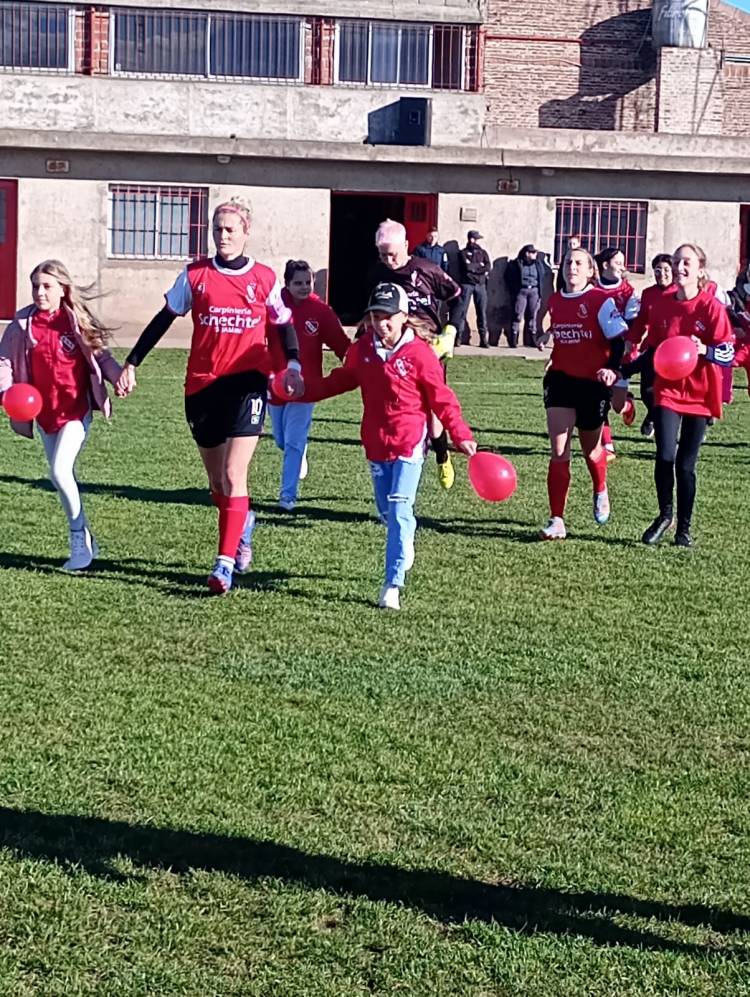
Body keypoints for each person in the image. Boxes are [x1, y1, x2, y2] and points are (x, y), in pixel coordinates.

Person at [116, 197, 304, 594]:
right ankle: (243, 523)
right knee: (218, 482)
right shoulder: (195, 276)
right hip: (202, 386)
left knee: (235, 474)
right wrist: (132, 362)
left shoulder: (264, 278)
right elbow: (164, 319)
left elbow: (284, 322)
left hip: (248, 384)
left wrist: (292, 364)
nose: (223, 236)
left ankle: (224, 564)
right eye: (217, 229)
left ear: (246, 232)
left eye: (230, 229)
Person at [300, 282, 476, 610]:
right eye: (376, 316)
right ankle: (405, 533)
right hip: (376, 442)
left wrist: (460, 433)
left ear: (403, 316)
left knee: (397, 508)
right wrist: (305, 391)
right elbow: (342, 379)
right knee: (387, 512)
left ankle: (392, 584)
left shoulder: (420, 354)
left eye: (388, 317)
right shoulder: (363, 349)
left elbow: (442, 397)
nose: (381, 323)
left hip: (410, 441)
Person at [0, 259, 123, 570]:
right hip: (45, 415)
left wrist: (118, 376)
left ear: (62, 289)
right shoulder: (22, 325)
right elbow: (5, 363)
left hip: (75, 412)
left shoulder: (76, 321)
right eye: (35, 287)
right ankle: (85, 535)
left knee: (58, 471)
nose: (40, 293)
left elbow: (101, 356)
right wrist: (6, 393)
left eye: (47, 286)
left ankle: (78, 538)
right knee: (62, 476)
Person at [622, 244, 734, 548]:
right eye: (676, 261)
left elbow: (727, 353)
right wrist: (623, 371)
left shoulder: (711, 307)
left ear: (699, 269)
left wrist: (704, 349)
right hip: (668, 390)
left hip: (700, 393)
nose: (679, 267)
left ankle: (684, 529)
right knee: (664, 456)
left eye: (686, 262)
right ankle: (665, 515)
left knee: (685, 466)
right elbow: (655, 351)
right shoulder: (662, 304)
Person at [539, 247, 628, 541]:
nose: (572, 267)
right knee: (559, 450)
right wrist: (546, 336)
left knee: (591, 449)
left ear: (591, 271)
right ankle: (557, 520)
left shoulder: (600, 300)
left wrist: (612, 369)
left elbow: (618, 341)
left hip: (592, 383)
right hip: (560, 380)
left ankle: (600, 487)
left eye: (579, 263)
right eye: (568, 262)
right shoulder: (555, 300)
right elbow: (562, 334)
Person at [367, 219, 463, 489]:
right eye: (383, 255)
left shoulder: (427, 270)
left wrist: (450, 332)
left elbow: (457, 296)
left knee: (434, 412)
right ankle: (402, 459)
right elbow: (371, 311)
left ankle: (442, 456)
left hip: (428, 350)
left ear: (407, 246)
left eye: (393, 254)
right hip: (394, 351)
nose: (388, 260)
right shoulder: (377, 274)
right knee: (396, 405)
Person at [269, 260, 350, 511]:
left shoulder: (321, 311)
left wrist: (356, 364)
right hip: (275, 384)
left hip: (306, 388)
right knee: (281, 440)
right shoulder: (274, 306)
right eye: (298, 283)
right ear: (287, 283)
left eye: (308, 282)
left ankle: (288, 497)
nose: (304, 287)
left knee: (293, 442)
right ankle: (300, 450)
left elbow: (341, 344)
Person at [594, 247, 641, 460]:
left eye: (623, 262)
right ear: (605, 265)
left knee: (617, 406)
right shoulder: (592, 289)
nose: (623, 267)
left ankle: (628, 404)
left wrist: (629, 341)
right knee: (599, 398)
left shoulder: (628, 292)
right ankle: (608, 445)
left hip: (621, 353)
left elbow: (633, 322)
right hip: (597, 352)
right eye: (618, 262)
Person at [624, 253, 675, 439]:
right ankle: (653, 414)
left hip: (676, 352)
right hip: (654, 348)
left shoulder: (681, 292)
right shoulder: (649, 294)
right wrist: (632, 340)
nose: (662, 274)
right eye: (658, 270)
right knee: (647, 390)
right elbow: (641, 321)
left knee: (669, 392)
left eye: (666, 270)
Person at [503, 244, 547, 348]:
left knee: (532, 315)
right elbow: (508, 277)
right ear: (527, 253)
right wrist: (514, 288)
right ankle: (514, 339)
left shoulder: (538, 264)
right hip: (521, 290)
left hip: (534, 290)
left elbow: (542, 275)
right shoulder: (516, 264)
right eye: (533, 253)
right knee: (517, 315)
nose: (535, 254)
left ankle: (531, 339)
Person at [457, 230, 491, 348]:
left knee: (481, 313)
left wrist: (475, 268)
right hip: (467, 284)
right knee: (462, 312)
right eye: (475, 239)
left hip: (480, 285)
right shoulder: (463, 253)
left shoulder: (483, 252)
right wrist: (479, 267)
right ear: (471, 239)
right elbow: (466, 267)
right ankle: (458, 338)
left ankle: (483, 339)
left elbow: (488, 266)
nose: (476, 241)